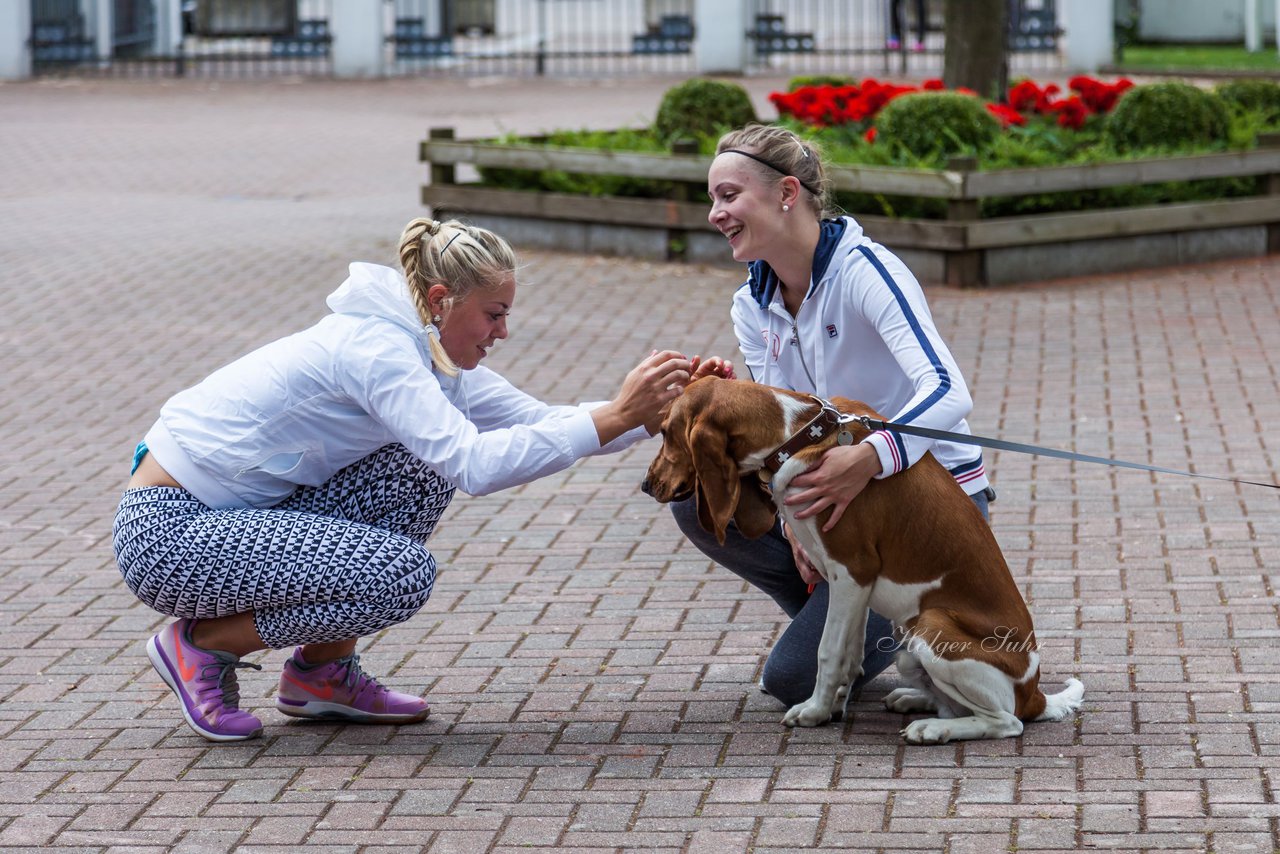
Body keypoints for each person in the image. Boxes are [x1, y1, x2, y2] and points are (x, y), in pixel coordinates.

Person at [113, 217, 699, 742]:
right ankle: (201, 646)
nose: (502, 332)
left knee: (421, 464)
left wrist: (659, 411)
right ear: (441, 299)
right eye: (494, 315)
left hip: (231, 520)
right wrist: (618, 414)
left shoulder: (425, 347)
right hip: (168, 535)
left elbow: (542, 421)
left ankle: (321, 675)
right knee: (398, 574)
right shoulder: (379, 350)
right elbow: (475, 466)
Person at [674, 123, 994, 717]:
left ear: (787, 192)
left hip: (921, 508)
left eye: (728, 195)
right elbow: (779, 429)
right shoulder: (751, 302)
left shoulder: (867, 272)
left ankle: (873, 622)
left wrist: (868, 457)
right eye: (712, 199)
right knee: (695, 495)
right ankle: (845, 611)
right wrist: (795, 528)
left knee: (792, 681)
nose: (715, 214)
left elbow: (948, 390)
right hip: (832, 506)